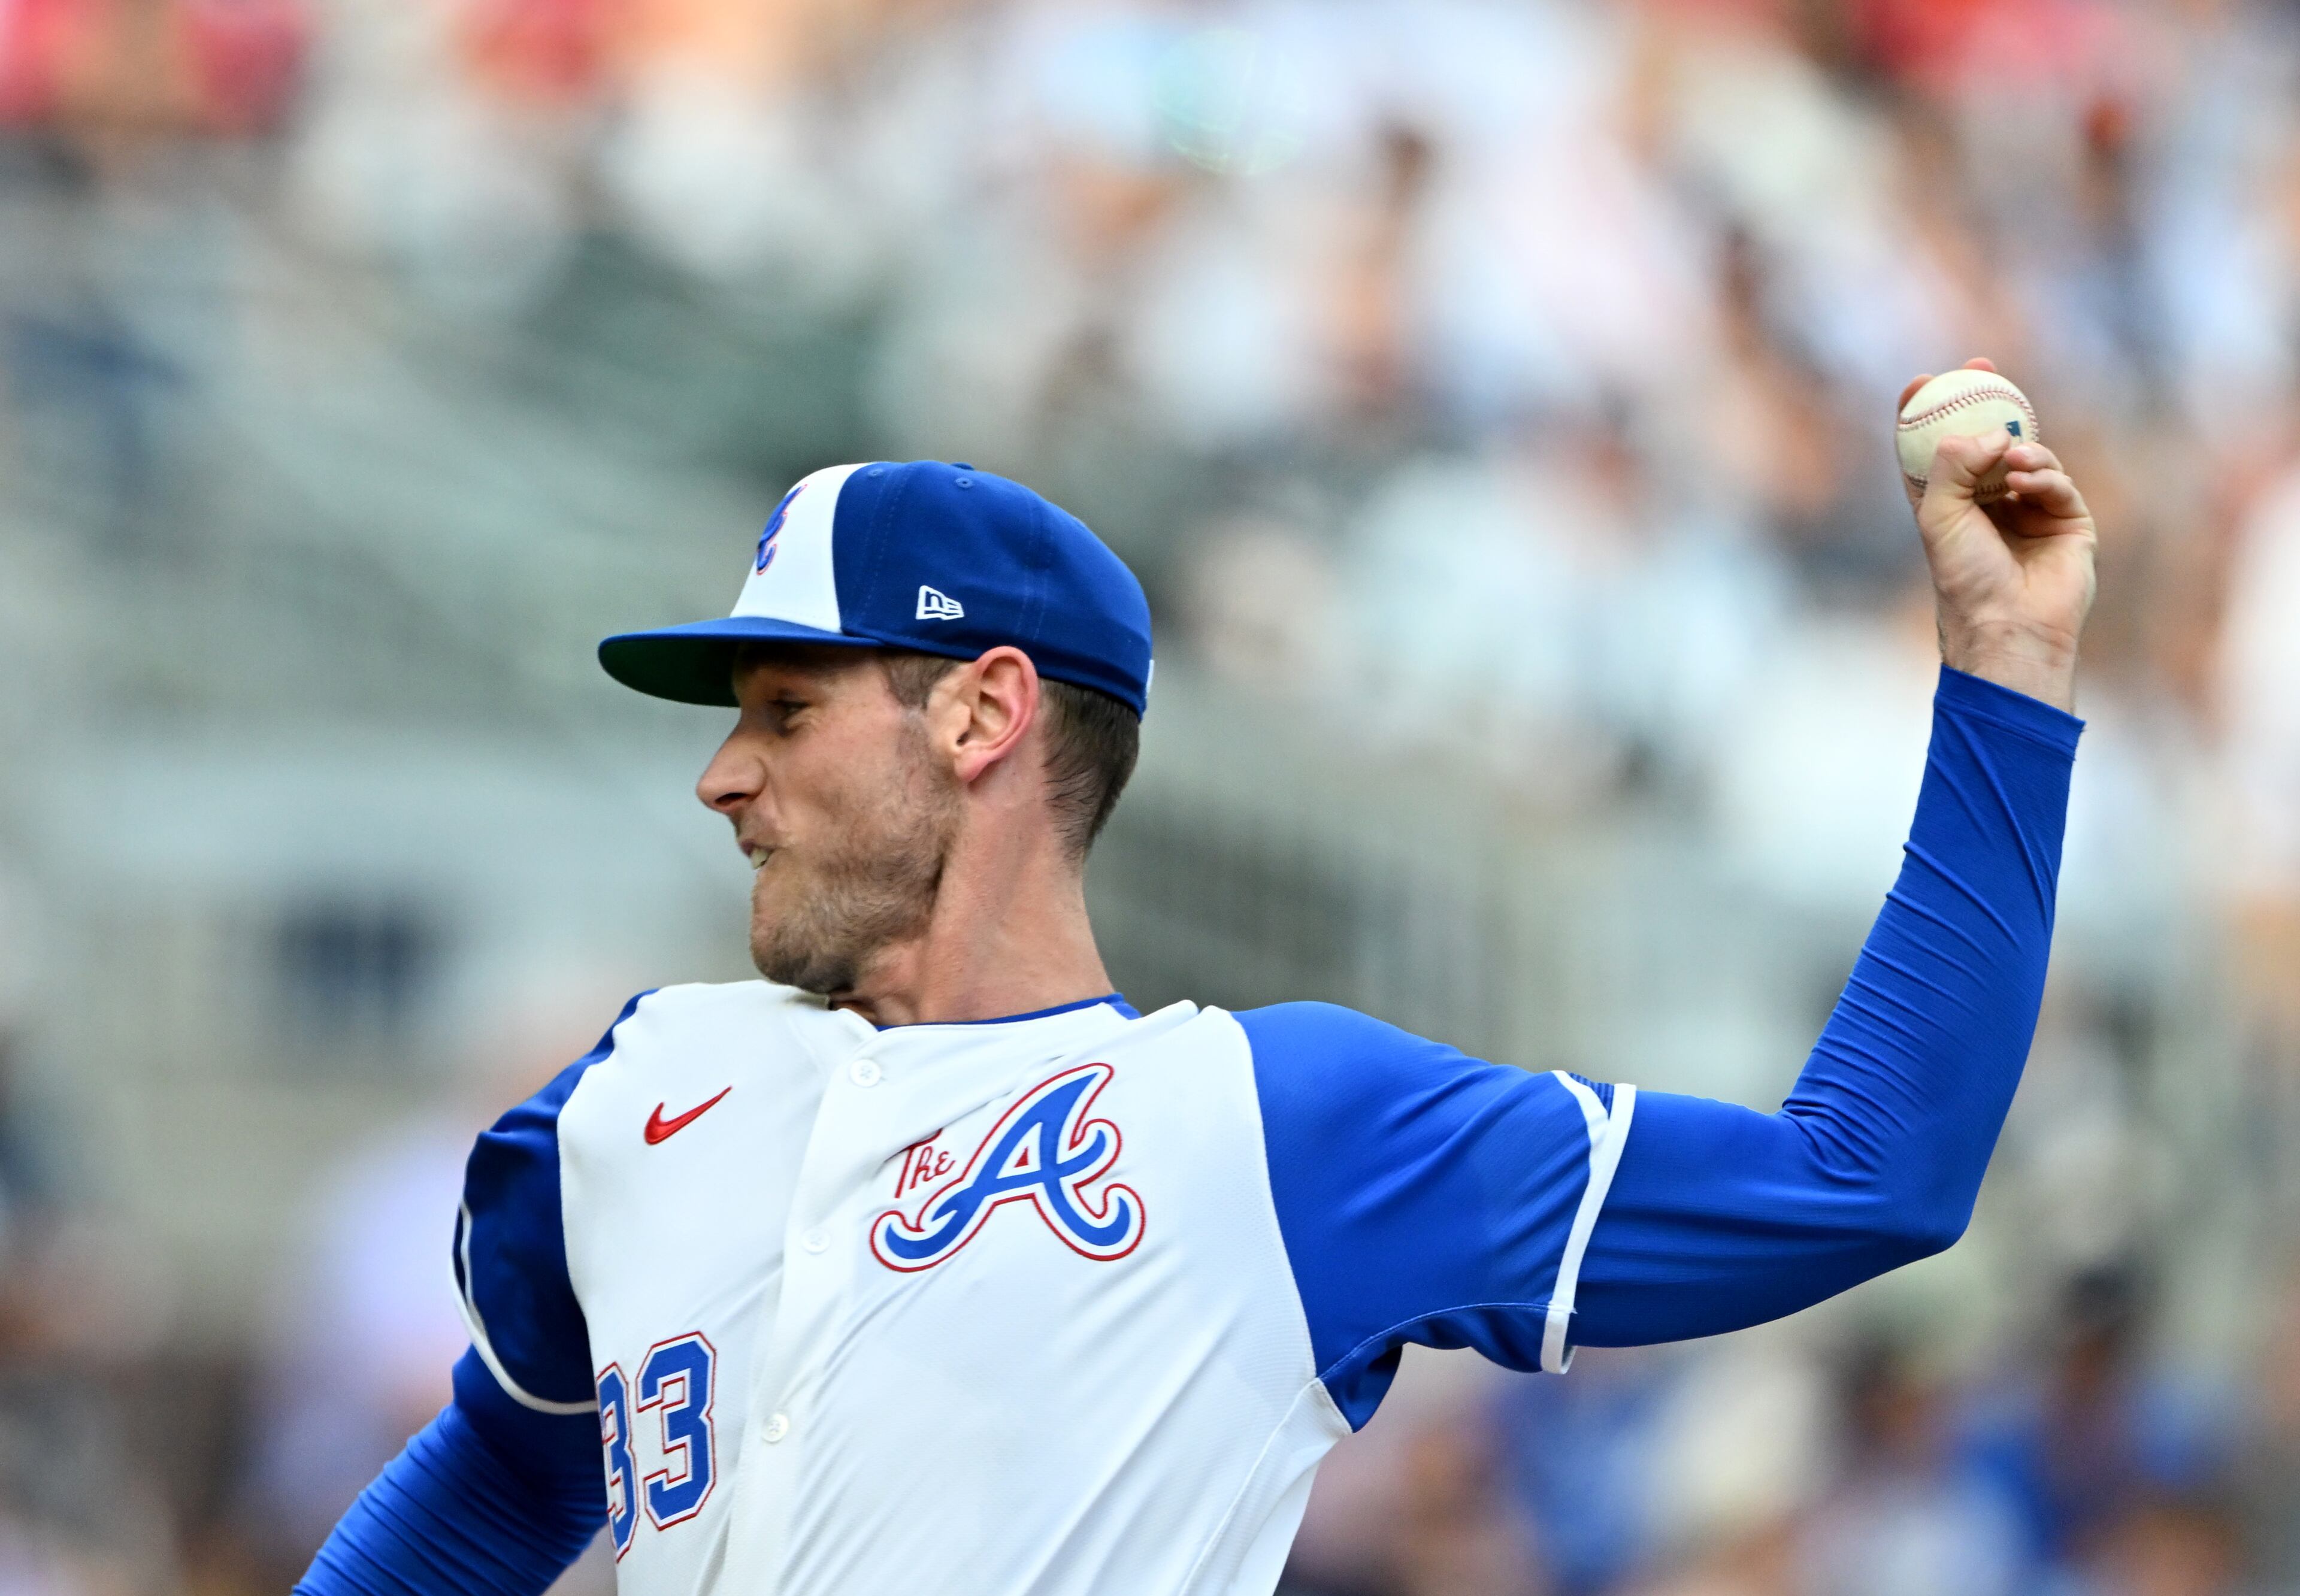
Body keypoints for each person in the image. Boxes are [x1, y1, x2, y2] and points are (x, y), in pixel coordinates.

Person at [296, 362, 2097, 1596]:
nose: (723, 774)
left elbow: (1865, 1176)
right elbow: (505, 1473)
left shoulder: (1270, 1125)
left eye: (785, 711)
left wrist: (2004, 679)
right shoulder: (632, 1094)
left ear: (986, 710)